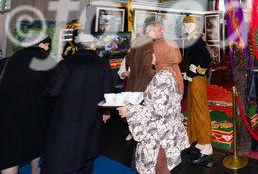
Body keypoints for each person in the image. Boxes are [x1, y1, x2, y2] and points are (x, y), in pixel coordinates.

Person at [42, 33, 113, 174]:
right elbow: (108, 93)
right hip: (92, 115)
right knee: (88, 150)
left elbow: (53, 91)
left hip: (66, 117)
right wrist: (106, 111)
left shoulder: (65, 63)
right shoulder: (102, 64)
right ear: (92, 46)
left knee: (64, 151)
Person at [117, 39, 189, 174]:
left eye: (154, 53)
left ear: (163, 54)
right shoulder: (173, 71)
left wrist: (129, 110)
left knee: (159, 169)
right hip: (167, 136)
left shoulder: (162, 77)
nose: (152, 56)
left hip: (159, 138)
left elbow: (155, 112)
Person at [0, 34, 55, 174]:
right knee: (35, 145)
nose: (48, 48)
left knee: (9, 152)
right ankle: (35, 170)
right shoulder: (47, 61)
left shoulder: (7, 60)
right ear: (41, 44)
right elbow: (55, 88)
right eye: (47, 45)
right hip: (36, 115)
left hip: (7, 115)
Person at [182, 15, 213, 165]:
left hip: (198, 81)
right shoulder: (191, 40)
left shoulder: (197, 41)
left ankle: (207, 145)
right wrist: (188, 72)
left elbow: (207, 59)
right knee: (193, 110)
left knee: (201, 112)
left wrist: (198, 70)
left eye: (186, 25)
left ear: (193, 26)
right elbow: (192, 60)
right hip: (192, 80)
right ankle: (200, 140)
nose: (184, 28)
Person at [127, 21, 164, 93]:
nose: (162, 31)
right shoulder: (151, 43)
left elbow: (128, 59)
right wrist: (157, 76)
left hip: (133, 82)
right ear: (151, 31)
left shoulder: (136, 41)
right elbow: (147, 66)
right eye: (160, 29)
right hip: (145, 84)